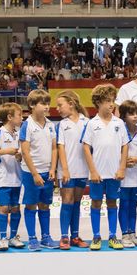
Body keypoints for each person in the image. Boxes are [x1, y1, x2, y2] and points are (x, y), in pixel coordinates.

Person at [83, 84, 129, 250]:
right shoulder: (91, 123)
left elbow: (125, 146)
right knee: (95, 203)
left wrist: (122, 167)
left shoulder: (119, 123)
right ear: (98, 102)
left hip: (114, 173)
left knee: (112, 203)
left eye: (113, 100)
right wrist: (93, 170)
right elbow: (86, 147)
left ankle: (112, 236)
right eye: (108, 101)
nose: (112, 104)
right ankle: (96, 236)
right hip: (97, 174)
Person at [19, 89, 57, 251]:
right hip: (30, 173)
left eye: (48, 103)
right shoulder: (27, 125)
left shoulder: (50, 124)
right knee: (31, 205)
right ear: (32, 105)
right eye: (43, 103)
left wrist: (53, 169)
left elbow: (54, 149)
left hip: (47, 172)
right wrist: (34, 173)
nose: (47, 107)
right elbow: (25, 151)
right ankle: (32, 238)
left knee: (45, 205)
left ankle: (46, 237)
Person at [0, 103, 24, 251]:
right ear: (9, 117)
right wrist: (6, 151)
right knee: (4, 208)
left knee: (16, 208)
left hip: (18, 177)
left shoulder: (20, 133)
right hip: (3, 177)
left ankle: (13, 237)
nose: (22, 117)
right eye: (19, 115)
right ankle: (2, 238)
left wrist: (20, 156)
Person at [54, 91, 90, 249]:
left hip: (82, 170)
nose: (57, 108)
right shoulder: (62, 124)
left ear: (71, 104)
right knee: (67, 202)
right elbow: (60, 147)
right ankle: (64, 237)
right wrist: (65, 170)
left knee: (76, 203)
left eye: (60, 105)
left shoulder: (87, 122)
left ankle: (75, 236)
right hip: (66, 171)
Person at [118, 100, 137, 248]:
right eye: (131, 114)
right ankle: (124, 234)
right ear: (123, 115)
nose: (135, 116)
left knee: (134, 205)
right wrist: (122, 162)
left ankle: (132, 233)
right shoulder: (118, 131)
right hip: (122, 176)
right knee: (124, 204)